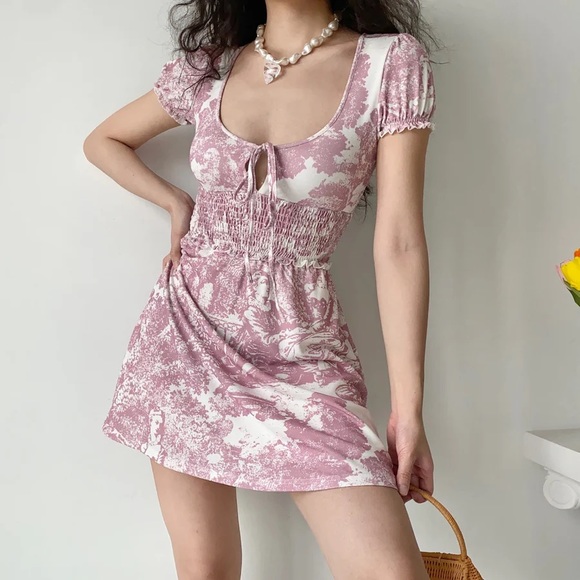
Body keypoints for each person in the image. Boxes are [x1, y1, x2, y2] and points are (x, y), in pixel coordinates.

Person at [83, 0, 437, 578]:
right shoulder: (212, 66)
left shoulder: (389, 63)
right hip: (185, 338)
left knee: (392, 572)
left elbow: (399, 242)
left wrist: (409, 411)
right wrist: (176, 202)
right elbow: (105, 140)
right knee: (206, 571)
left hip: (305, 350)